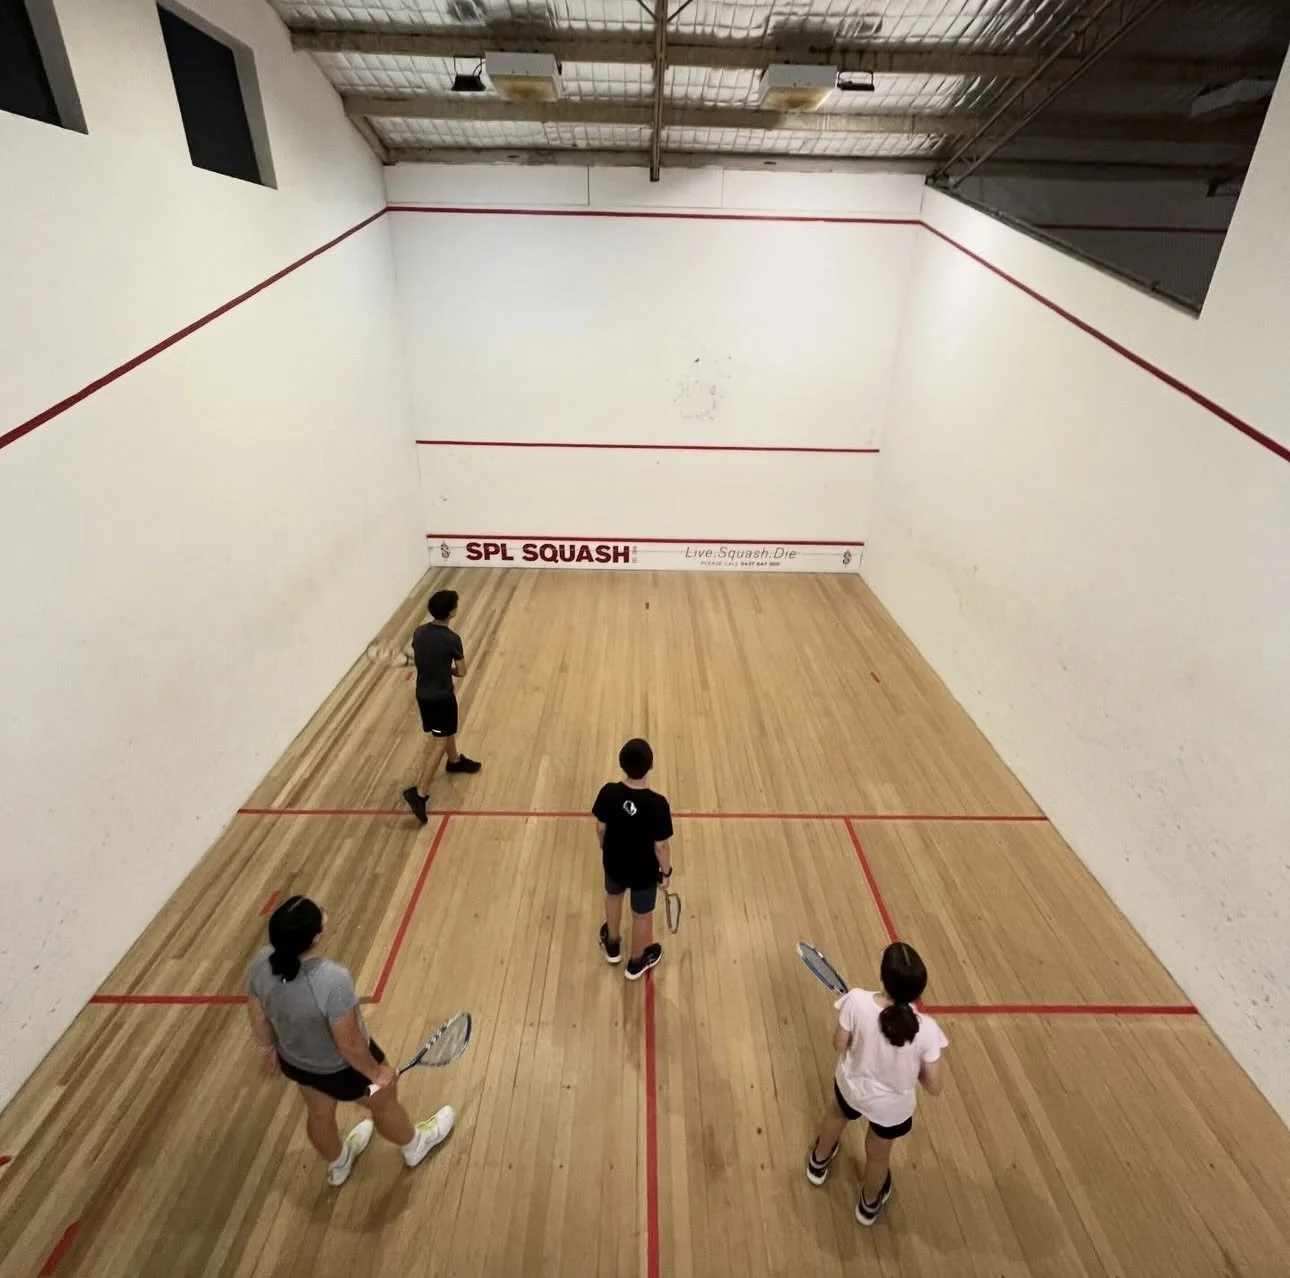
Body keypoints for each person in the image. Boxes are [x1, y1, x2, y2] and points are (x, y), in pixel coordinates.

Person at [246, 896, 454, 1186]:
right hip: (345, 1072)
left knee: (319, 1114)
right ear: (316, 936)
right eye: (319, 911)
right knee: (384, 1105)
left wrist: (269, 1047)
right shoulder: (332, 981)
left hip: (297, 1062)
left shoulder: (261, 962)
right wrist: (376, 1073)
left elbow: (256, 1012)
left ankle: (339, 1162)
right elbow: (350, 1044)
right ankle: (415, 1145)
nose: (323, 907)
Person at [805, 941, 947, 1225]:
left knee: (836, 1115)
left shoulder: (856, 1000)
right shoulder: (928, 1031)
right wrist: (912, 1068)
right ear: (919, 991)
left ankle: (818, 1161)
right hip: (891, 1109)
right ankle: (869, 1205)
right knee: (878, 1158)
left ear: (883, 977)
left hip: (852, 1088)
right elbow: (934, 1087)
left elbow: (838, 1044)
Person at [592, 738, 673, 980]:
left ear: (621, 764)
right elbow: (661, 846)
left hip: (614, 863)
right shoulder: (658, 805)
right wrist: (666, 873)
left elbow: (600, 827)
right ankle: (637, 962)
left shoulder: (609, 792)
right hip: (644, 873)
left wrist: (604, 847)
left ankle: (613, 945)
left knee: (613, 897)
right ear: (651, 766)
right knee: (641, 915)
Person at [402, 588, 481, 824]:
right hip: (442, 698)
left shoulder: (419, 632)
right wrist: (450, 670)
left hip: (423, 696)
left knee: (445, 731)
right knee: (440, 740)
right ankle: (419, 793)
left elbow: (423, 658)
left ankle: (455, 761)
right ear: (452, 612)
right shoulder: (452, 639)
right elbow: (462, 671)